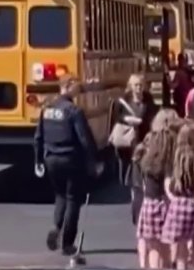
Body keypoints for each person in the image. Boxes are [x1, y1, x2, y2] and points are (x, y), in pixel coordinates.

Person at [33, 75, 97, 257]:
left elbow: (38, 137)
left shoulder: (47, 109)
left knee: (60, 195)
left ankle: (56, 226)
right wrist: (93, 161)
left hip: (51, 158)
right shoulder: (73, 111)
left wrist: (38, 160)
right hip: (71, 159)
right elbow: (85, 139)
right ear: (67, 86)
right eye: (77, 85)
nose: (79, 89)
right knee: (73, 199)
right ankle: (68, 243)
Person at [134, 113, 178, 268]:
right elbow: (168, 185)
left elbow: (144, 183)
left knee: (153, 248)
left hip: (149, 203)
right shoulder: (169, 159)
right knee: (165, 248)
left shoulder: (147, 159)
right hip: (164, 204)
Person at [162, 125, 194, 270]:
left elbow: (169, 179)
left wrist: (171, 195)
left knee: (180, 247)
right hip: (193, 203)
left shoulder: (176, 155)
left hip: (178, 203)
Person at [110, 74, 155, 184]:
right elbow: (115, 118)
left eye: (141, 85)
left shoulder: (148, 98)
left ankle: (139, 182)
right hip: (127, 138)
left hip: (143, 136)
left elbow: (153, 114)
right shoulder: (122, 100)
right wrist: (127, 119)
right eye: (136, 85)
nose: (139, 88)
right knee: (126, 162)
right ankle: (125, 184)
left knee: (141, 161)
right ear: (130, 86)